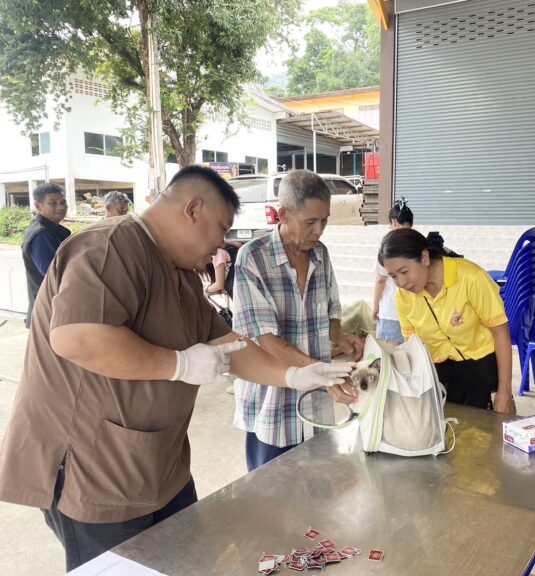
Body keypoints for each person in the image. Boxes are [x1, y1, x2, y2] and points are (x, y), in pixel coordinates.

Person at [0, 165, 352, 572]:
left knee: (188, 562)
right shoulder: (111, 246)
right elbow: (76, 337)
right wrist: (178, 363)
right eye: (221, 228)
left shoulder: (181, 274)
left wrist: (294, 376)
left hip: (160, 467)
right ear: (192, 209)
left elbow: (229, 345)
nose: (221, 244)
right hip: (98, 474)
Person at [233, 169, 365, 471]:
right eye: (310, 222)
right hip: (272, 404)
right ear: (283, 215)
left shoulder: (321, 255)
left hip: (316, 402)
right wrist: (324, 373)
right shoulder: (253, 258)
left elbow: (330, 311)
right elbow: (265, 339)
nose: (319, 231)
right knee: (270, 491)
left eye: (325, 221)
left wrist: (341, 338)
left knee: (316, 484)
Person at [378, 228, 515, 414]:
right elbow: (413, 347)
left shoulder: (471, 277)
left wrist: (504, 391)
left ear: (424, 258)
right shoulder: (403, 297)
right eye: (393, 276)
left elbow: (501, 334)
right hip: (440, 379)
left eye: (404, 271)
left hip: (482, 372)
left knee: (485, 430)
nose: (401, 282)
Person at [21, 183, 71, 329]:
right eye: (53, 203)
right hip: (47, 312)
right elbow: (54, 276)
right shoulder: (41, 235)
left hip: (52, 309)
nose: (61, 207)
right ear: (38, 206)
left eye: (63, 202)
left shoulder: (53, 230)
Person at [372, 198, 414, 343]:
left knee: (388, 353)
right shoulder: (417, 242)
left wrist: (375, 306)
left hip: (391, 311)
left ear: (394, 222)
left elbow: (380, 280)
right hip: (414, 311)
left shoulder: (389, 244)